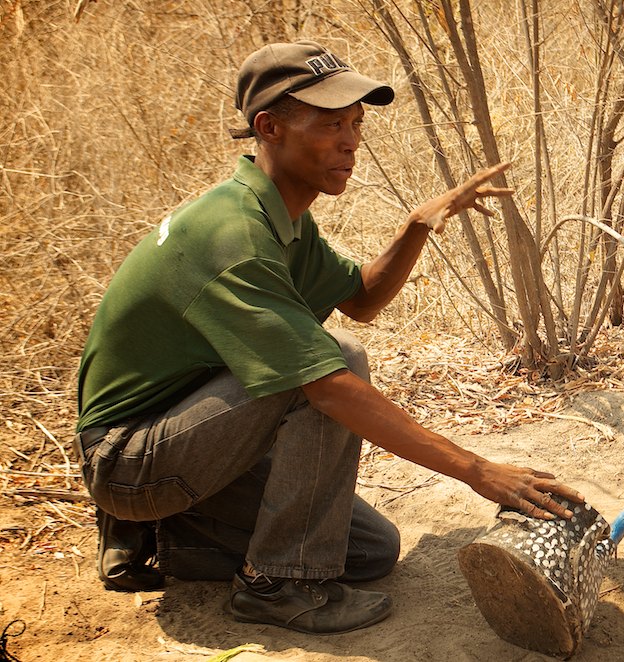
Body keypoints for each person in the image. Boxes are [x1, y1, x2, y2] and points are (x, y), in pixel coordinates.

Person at [73, 40, 585, 635]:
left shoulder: (279, 217)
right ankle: (275, 586)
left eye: (356, 123)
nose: (351, 141)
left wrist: (417, 226)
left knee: (371, 553)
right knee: (332, 364)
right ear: (270, 127)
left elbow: (361, 299)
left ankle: (167, 534)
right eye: (332, 124)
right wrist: (476, 469)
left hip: (188, 443)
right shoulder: (230, 236)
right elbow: (330, 388)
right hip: (129, 457)